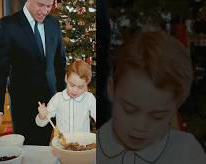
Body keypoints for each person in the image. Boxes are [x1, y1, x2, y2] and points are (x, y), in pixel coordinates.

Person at [97, 31, 206, 163]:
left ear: (177, 106)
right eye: (129, 110)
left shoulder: (187, 151)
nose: (140, 126)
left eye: (157, 116)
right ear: (111, 89)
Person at [0, 0, 66, 145]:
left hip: (50, 103)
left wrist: (62, 98)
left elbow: (59, 62)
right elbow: (0, 70)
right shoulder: (8, 25)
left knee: (44, 150)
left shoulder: (53, 24)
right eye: (40, 5)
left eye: (49, 6)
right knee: (26, 151)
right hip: (23, 105)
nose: (44, 11)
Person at [36, 59, 96, 136]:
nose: (75, 90)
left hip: (82, 144)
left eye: (80, 87)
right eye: (72, 85)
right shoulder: (57, 98)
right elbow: (41, 124)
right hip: (62, 144)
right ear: (66, 78)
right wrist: (42, 116)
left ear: (86, 84)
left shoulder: (89, 98)